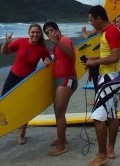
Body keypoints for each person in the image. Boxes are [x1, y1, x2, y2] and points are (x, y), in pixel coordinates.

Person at [84, 5, 120, 166]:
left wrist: (95, 61)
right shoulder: (109, 32)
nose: (91, 23)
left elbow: (114, 57)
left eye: (92, 20)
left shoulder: (112, 31)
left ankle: (102, 155)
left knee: (98, 117)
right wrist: (93, 58)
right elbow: (108, 53)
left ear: (99, 18)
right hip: (111, 76)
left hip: (109, 79)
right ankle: (110, 150)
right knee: (112, 115)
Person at [0, 23, 51, 145]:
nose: (35, 34)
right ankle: (12, 122)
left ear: (40, 34)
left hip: (27, 80)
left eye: (37, 32)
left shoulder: (41, 49)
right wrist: (6, 42)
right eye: (33, 32)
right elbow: (4, 52)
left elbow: (47, 59)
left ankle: (22, 134)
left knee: (25, 106)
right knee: (4, 102)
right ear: (29, 33)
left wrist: (47, 60)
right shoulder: (20, 42)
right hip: (13, 77)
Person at [43, 22, 78, 157]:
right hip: (58, 80)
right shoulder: (58, 42)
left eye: (51, 30)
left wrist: (56, 41)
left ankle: (61, 147)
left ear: (57, 30)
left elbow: (69, 53)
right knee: (57, 112)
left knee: (60, 113)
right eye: (47, 32)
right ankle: (62, 138)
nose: (49, 34)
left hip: (66, 80)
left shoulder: (64, 39)